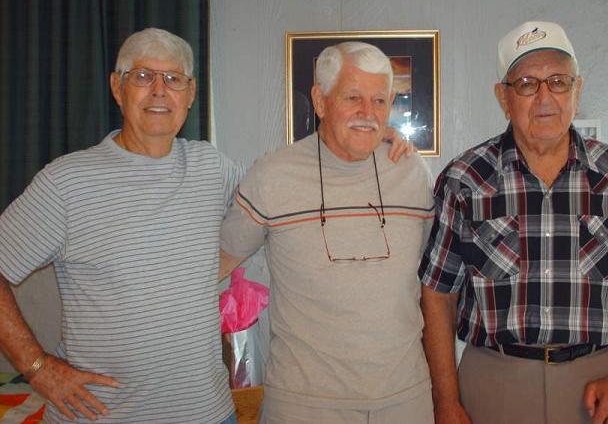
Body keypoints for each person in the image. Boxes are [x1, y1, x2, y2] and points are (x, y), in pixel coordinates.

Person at [419, 21, 608, 424]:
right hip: (493, 384)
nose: (545, 98)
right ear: (503, 97)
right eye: (526, 84)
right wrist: (445, 401)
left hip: (599, 386)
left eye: (558, 82)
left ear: (577, 90)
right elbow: (437, 296)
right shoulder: (465, 179)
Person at [0, 28, 246, 423]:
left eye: (174, 78)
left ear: (191, 93)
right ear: (117, 88)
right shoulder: (67, 182)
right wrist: (38, 368)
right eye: (143, 76)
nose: (159, 91)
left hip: (208, 414)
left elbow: (274, 207)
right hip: (102, 415)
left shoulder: (212, 168)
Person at [219, 42, 435, 424]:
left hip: (406, 401)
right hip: (304, 405)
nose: (368, 113)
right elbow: (215, 266)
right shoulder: (272, 175)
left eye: (379, 101)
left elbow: (436, 283)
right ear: (320, 101)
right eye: (353, 98)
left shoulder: (412, 172)